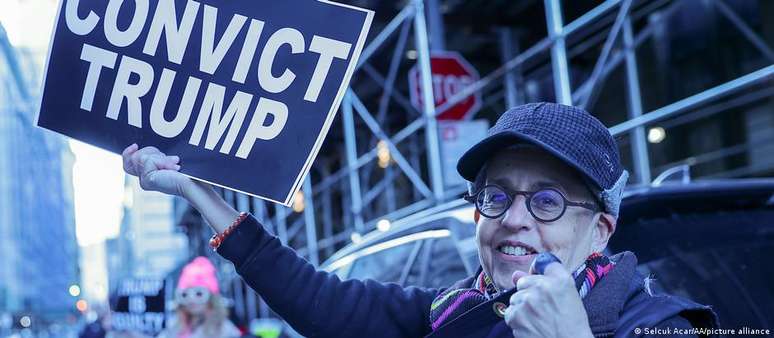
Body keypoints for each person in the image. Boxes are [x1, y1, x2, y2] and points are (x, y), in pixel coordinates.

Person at [123, 103, 718, 337]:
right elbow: (319, 301)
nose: (515, 219)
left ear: (601, 231)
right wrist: (197, 192)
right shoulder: (455, 312)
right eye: (496, 196)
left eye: (547, 202)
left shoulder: (658, 325)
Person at [156, 256, 241, 338]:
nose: (191, 300)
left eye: (199, 294)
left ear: (211, 297)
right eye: (185, 294)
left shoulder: (224, 329)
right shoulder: (175, 326)